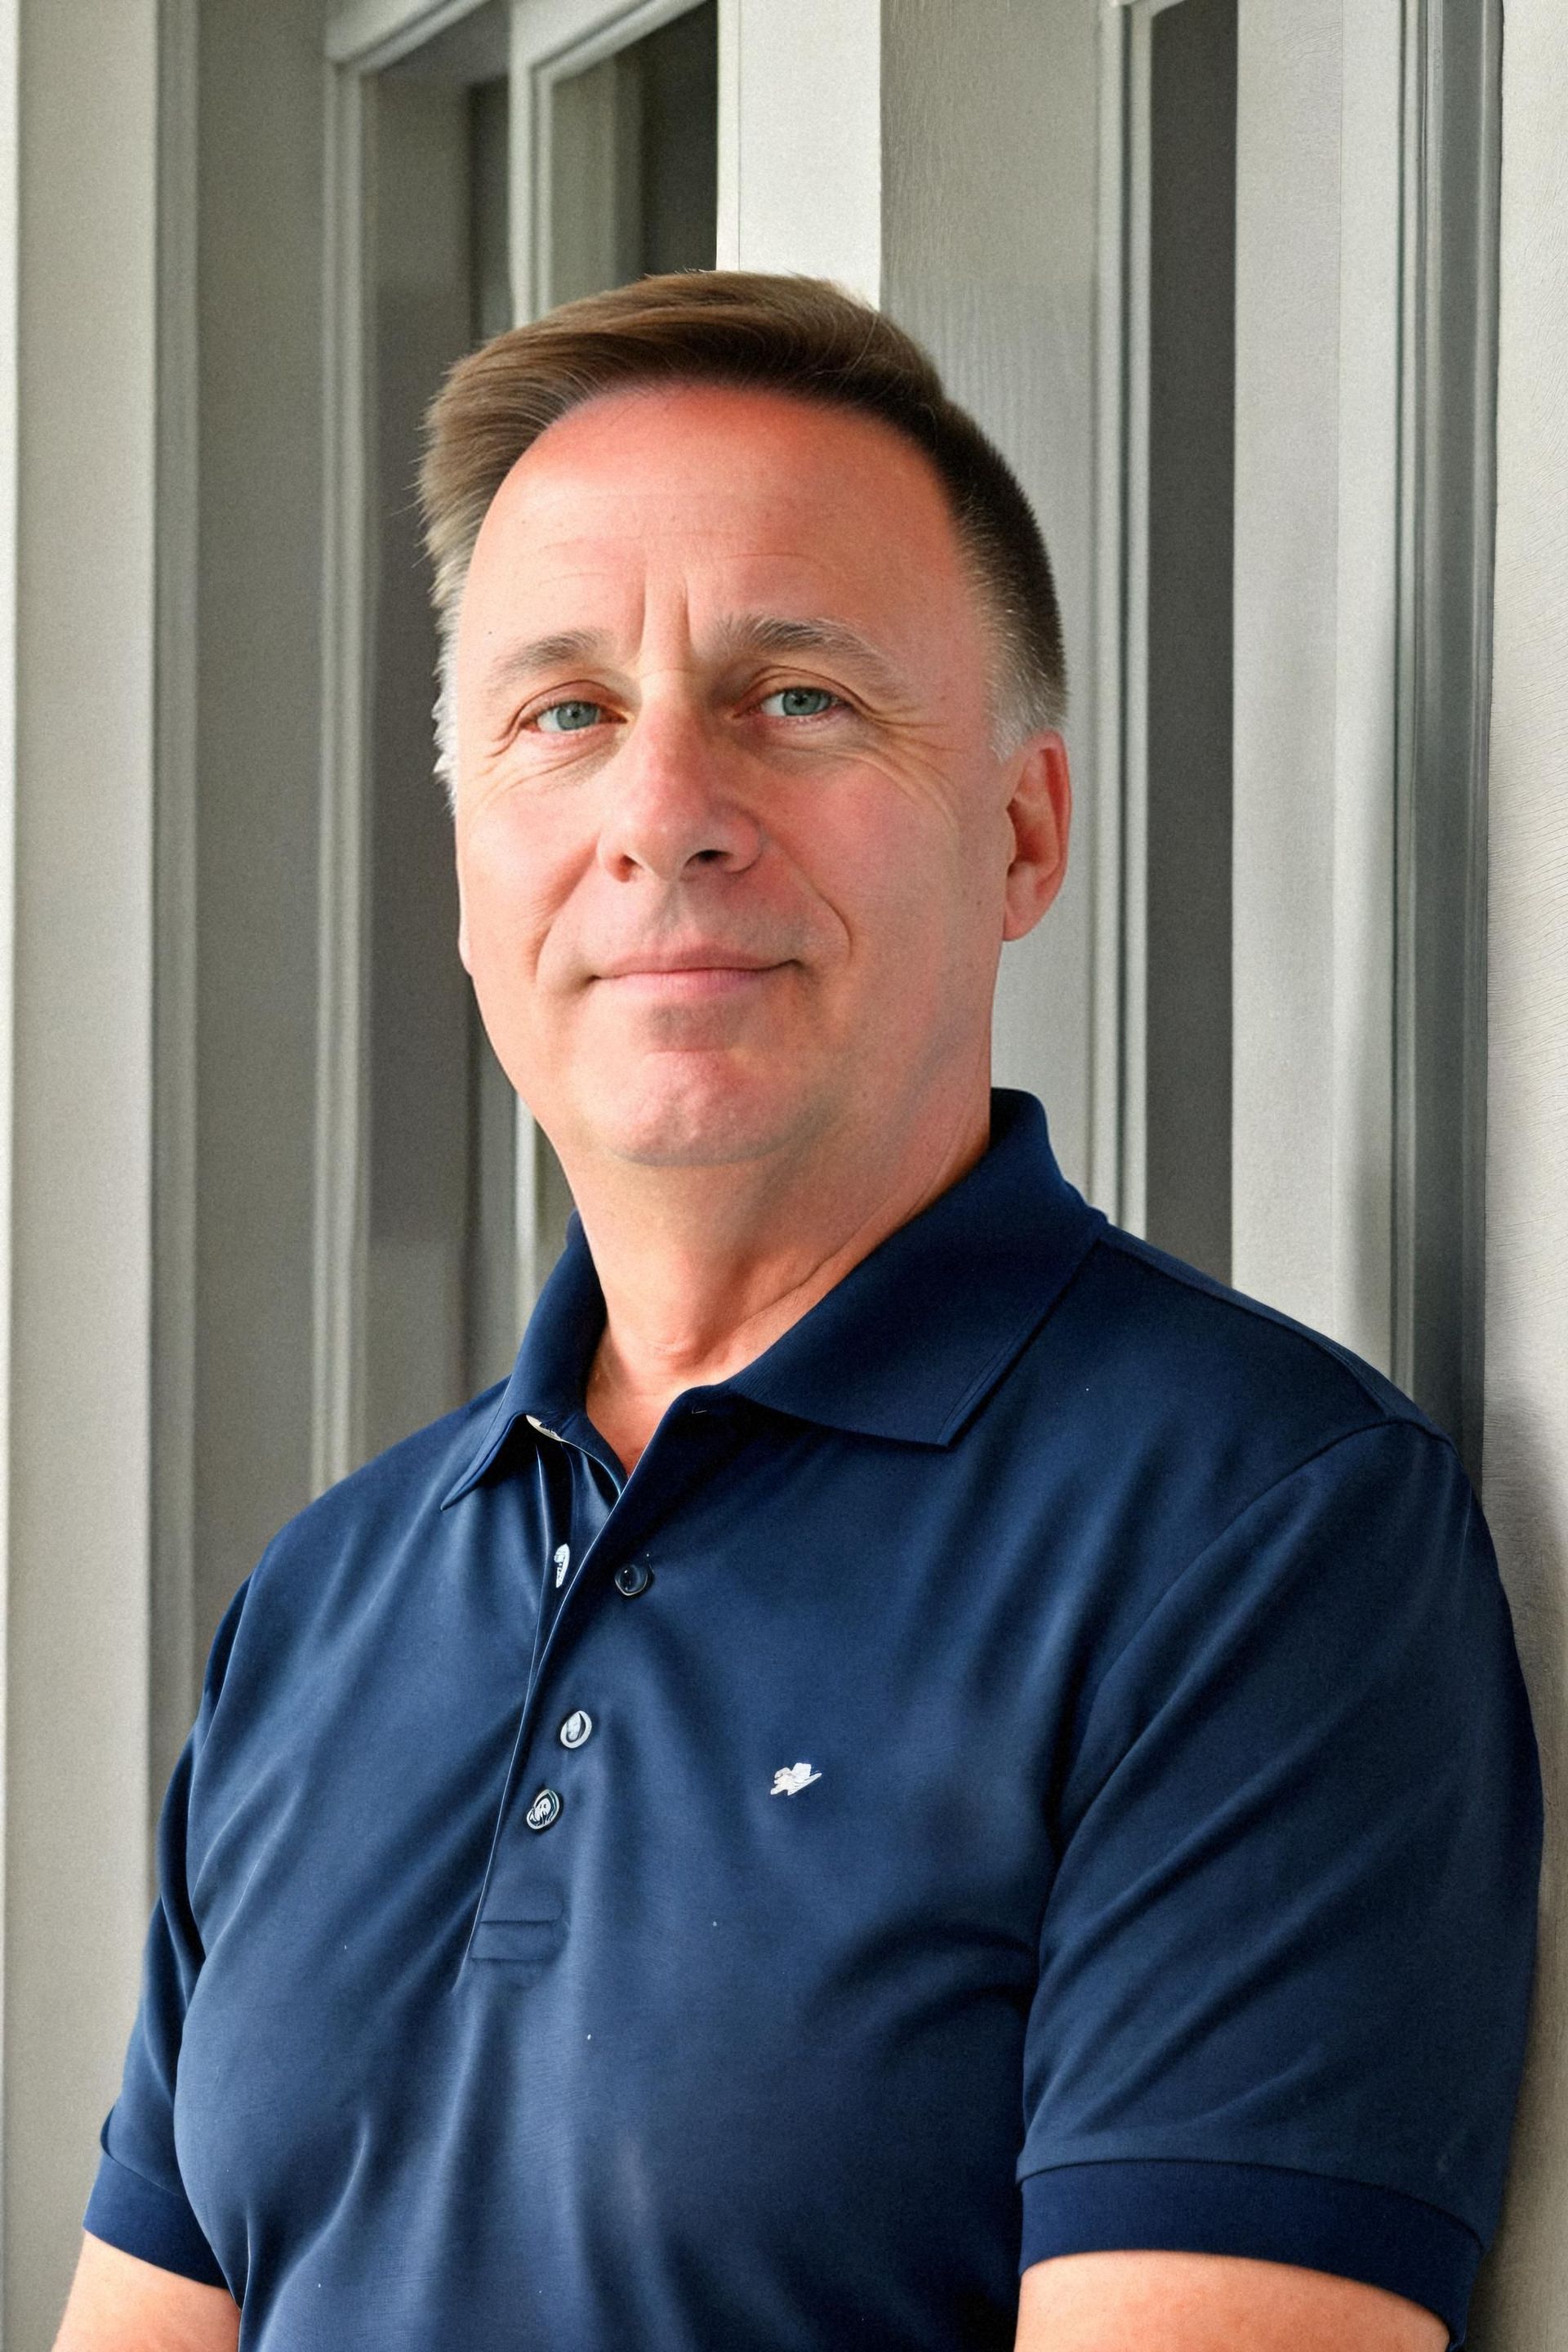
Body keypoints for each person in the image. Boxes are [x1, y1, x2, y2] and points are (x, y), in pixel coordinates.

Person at [55, 274, 1537, 2352]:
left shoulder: (1257, 1536)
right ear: (469, 862)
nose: (664, 812)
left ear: (1022, 833)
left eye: (799, 698)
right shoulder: (324, 1604)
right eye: (566, 714)